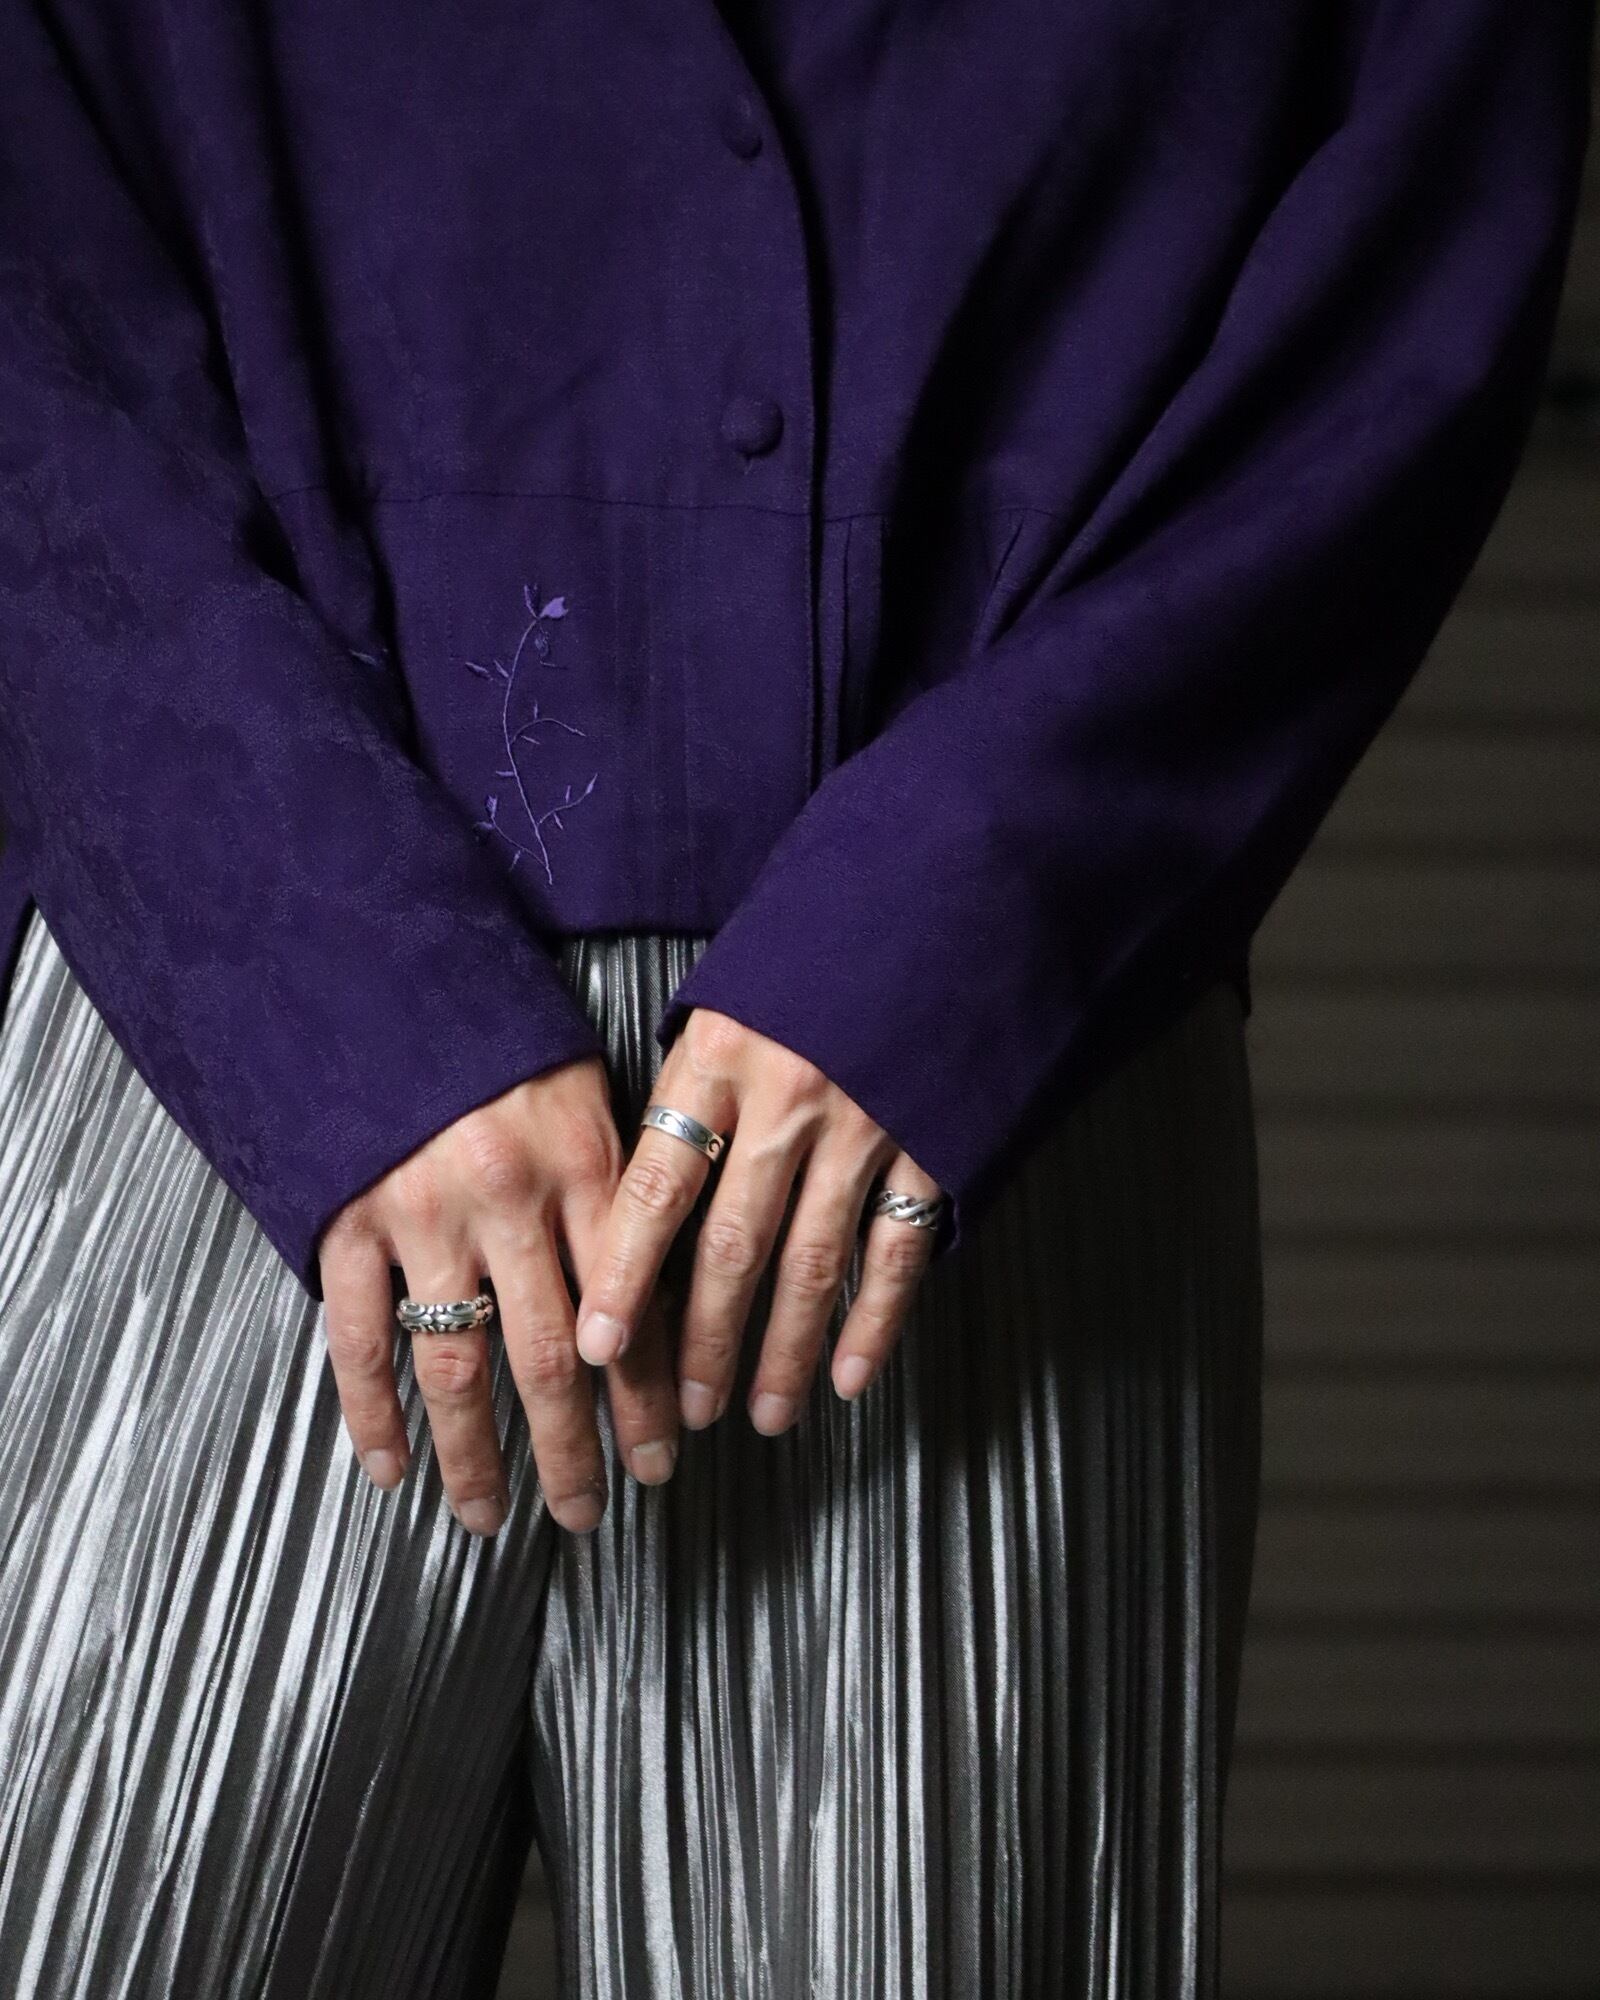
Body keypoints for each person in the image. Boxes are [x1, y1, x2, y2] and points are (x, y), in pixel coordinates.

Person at [0, 5, 1590, 1995]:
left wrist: (959, 911)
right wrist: (320, 953)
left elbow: (1413, 281)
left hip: (971, 1129)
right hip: (232, 1074)